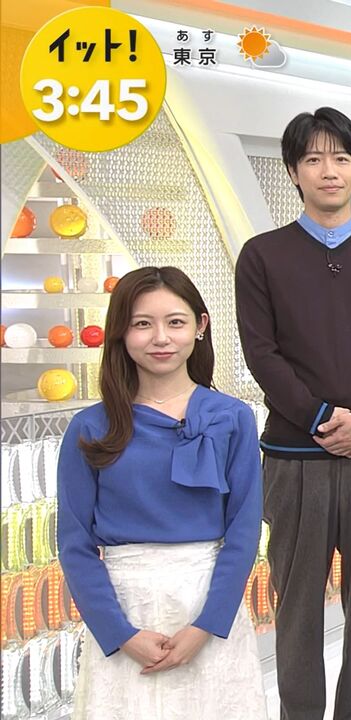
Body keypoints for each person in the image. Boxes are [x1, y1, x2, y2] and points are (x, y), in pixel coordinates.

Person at [235, 106, 351, 720]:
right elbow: (261, 352)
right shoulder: (262, 256)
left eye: (341, 158)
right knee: (295, 607)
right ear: (294, 172)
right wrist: (320, 418)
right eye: (313, 159)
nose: (329, 170)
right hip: (293, 460)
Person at [57, 266, 266, 720]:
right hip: (124, 608)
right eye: (142, 323)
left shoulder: (233, 418)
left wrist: (207, 625)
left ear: (200, 326)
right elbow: (74, 544)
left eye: (175, 322)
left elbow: (244, 530)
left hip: (208, 604)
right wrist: (120, 633)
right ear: (120, 332)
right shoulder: (90, 427)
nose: (161, 338)